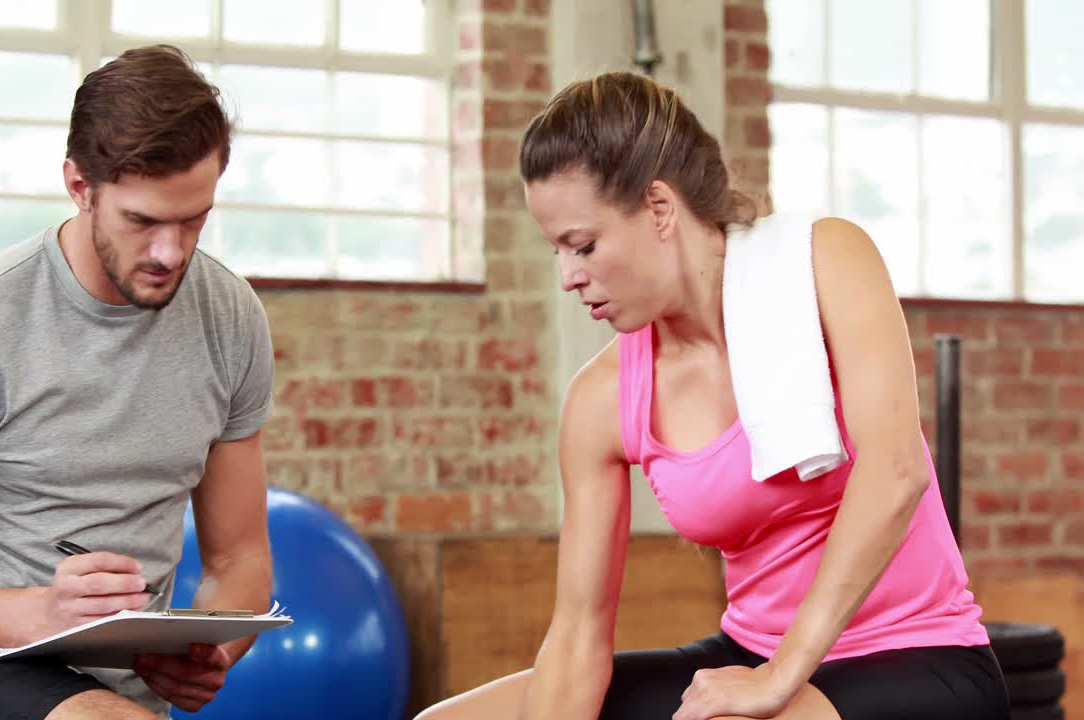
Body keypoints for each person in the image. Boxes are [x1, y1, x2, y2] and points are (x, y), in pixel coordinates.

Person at [415, 71, 1010, 720]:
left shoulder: (828, 263)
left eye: (582, 245)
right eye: (557, 250)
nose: (567, 276)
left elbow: (896, 474)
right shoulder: (600, 400)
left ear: (660, 209)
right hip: (749, 655)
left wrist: (778, 677)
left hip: (914, 655)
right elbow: (580, 634)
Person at [0, 45, 275, 719]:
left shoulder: (229, 318)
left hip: (123, 700)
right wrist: (41, 613)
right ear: (80, 187)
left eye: (193, 219)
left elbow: (240, 558)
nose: (172, 253)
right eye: (142, 221)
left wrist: (214, 648)